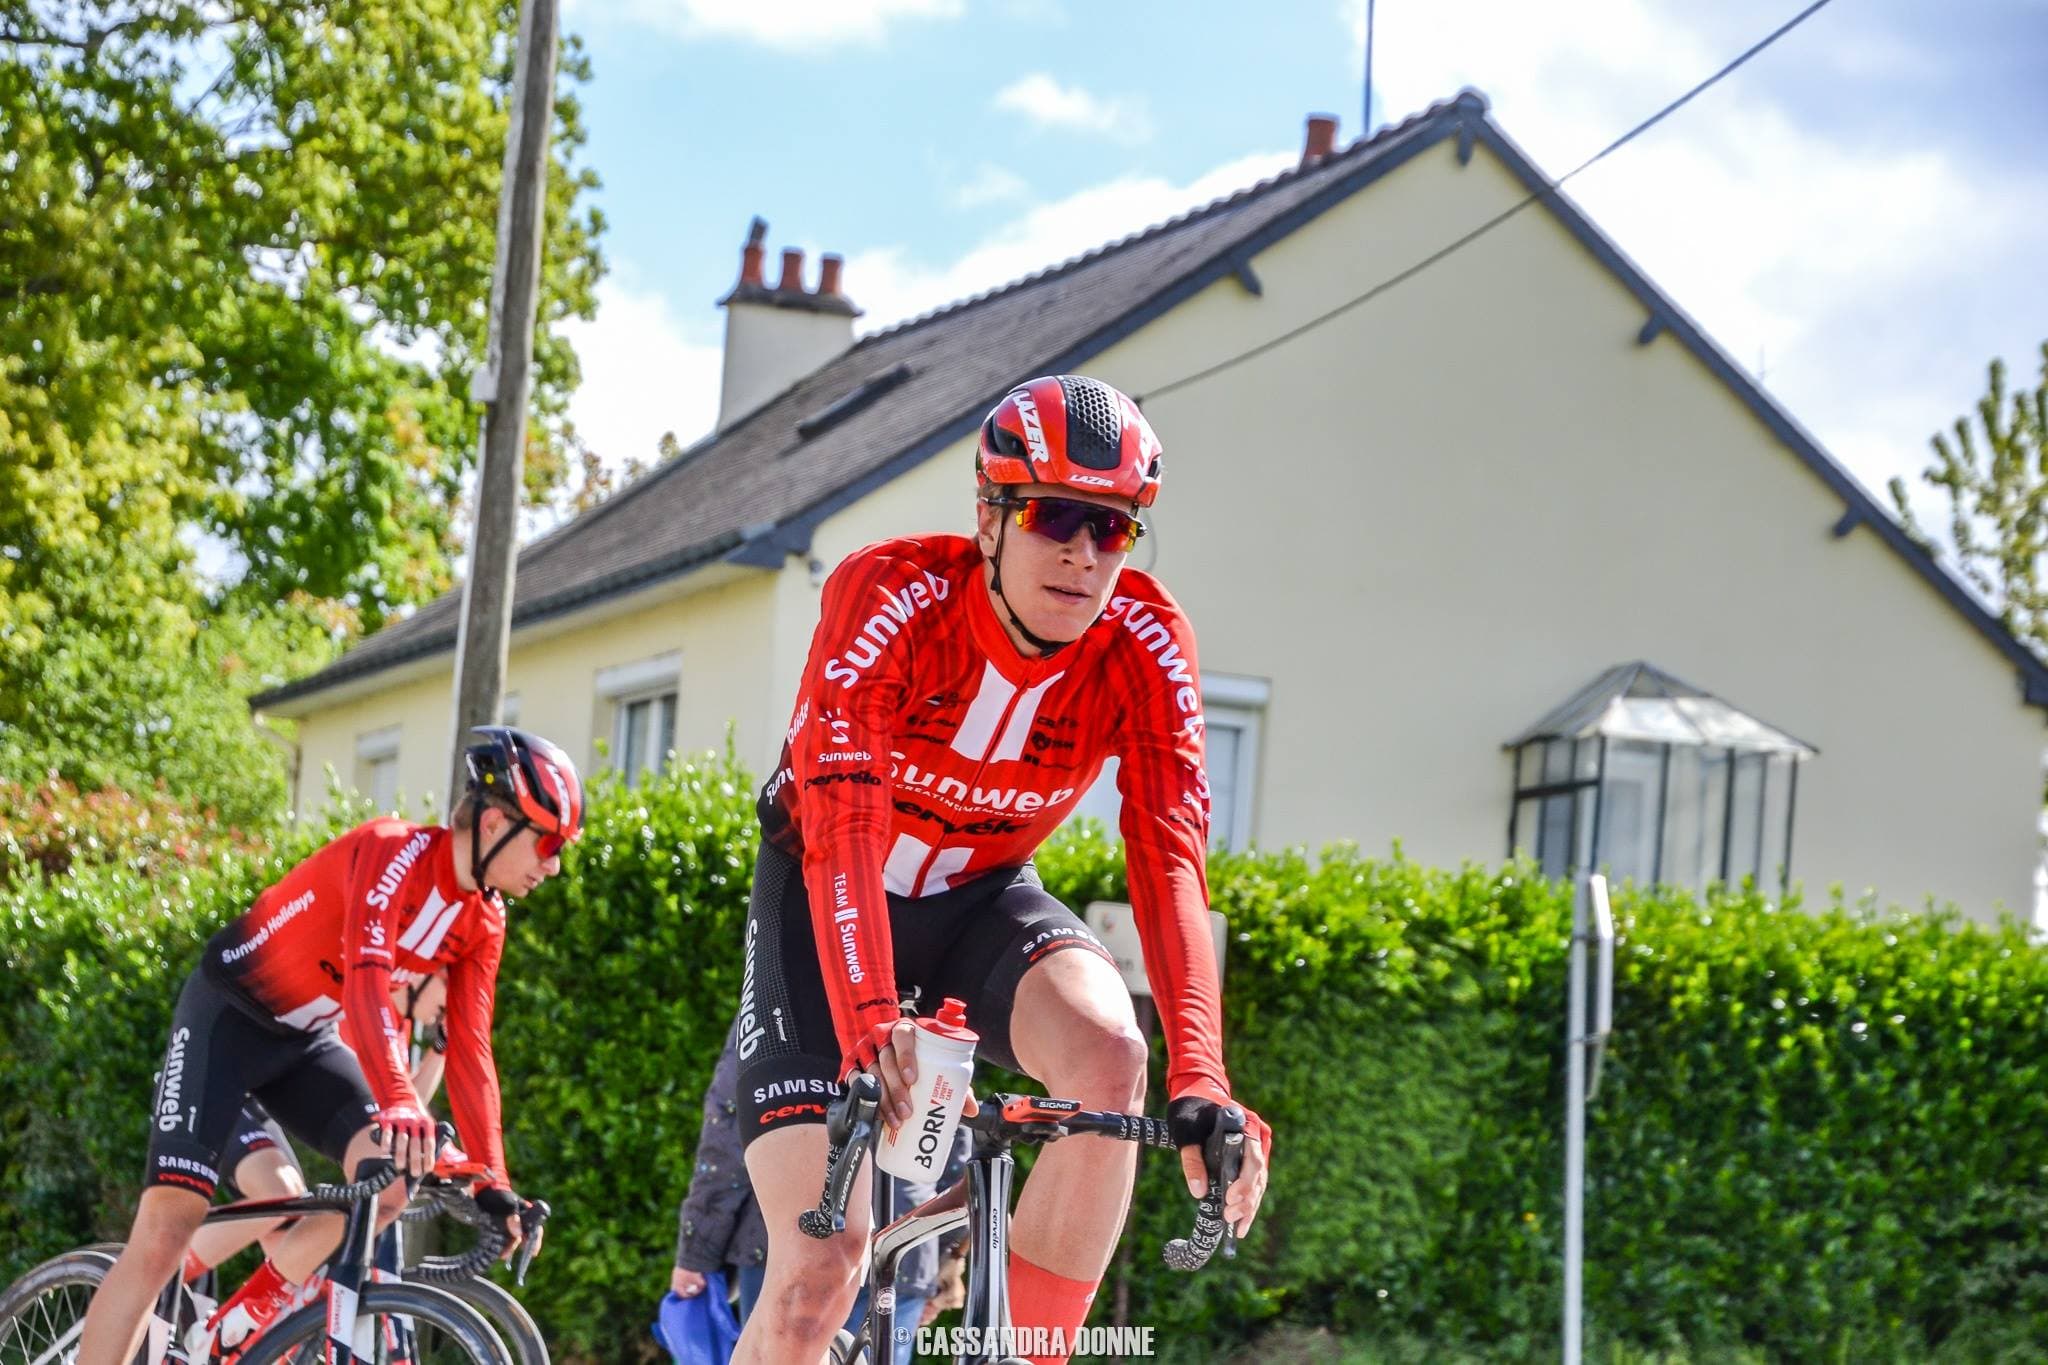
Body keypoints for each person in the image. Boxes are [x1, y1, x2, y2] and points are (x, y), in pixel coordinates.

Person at [732, 375, 1272, 1365]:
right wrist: (867, 1024)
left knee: (1113, 1059)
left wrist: (1204, 1074)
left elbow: (1168, 864)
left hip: (977, 898)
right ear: (990, 516)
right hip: (826, 903)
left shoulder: (1144, 644)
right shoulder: (889, 592)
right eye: (1055, 516)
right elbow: (844, 822)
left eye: (1111, 528)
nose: (1081, 552)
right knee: (821, 1268)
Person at [78, 727, 581, 1364]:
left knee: (392, 1180)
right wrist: (399, 1100)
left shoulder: (485, 918)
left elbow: (474, 1048)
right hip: (230, 1016)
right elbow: (368, 981)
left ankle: (236, 1330)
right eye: (548, 841)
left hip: (303, 1042)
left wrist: (493, 1180)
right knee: (164, 1235)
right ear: (493, 823)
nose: (554, 863)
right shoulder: (391, 851)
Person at [670, 1012, 959, 1363]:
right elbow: (951, 1137)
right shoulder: (930, 1005)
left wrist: (697, 1254)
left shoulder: (779, 1000)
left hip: (792, 1245)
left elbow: (731, 1127)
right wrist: (947, 1255)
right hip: (903, 1252)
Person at [181, 973, 451, 1277]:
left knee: (295, 1242)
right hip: (224, 1086)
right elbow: (370, 1107)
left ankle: (246, 1323)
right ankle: (163, 1280)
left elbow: (405, 1106)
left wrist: (440, 1048)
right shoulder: (366, 1011)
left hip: (261, 1099)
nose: (450, 1003)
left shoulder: (401, 1027)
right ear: (418, 975)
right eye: (446, 983)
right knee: (279, 1193)